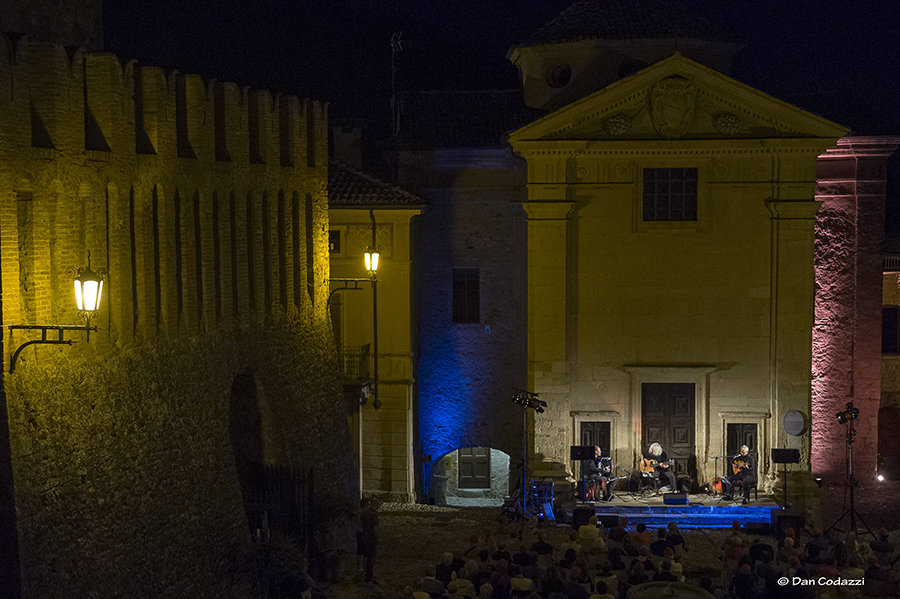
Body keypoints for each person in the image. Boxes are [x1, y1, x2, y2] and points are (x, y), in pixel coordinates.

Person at [357, 496, 379, 583]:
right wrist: (376, 537)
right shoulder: (374, 514)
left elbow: (360, 523)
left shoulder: (364, 513)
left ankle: (364, 573)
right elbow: (375, 528)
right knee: (371, 558)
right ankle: (368, 577)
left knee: (365, 556)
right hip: (371, 538)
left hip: (364, 536)